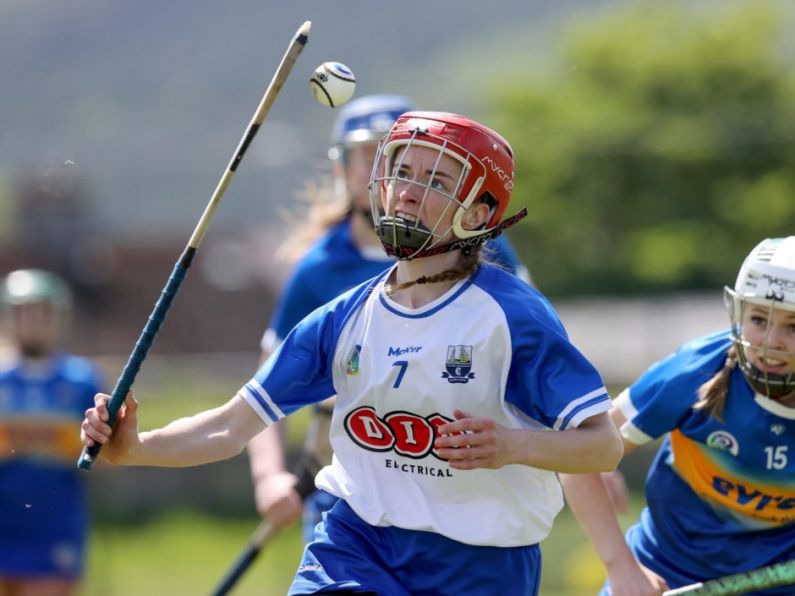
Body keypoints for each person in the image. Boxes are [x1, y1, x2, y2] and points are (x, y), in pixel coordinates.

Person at [81, 111, 622, 595]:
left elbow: (602, 446)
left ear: (479, 215)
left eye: (435, 180)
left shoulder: (514, 316)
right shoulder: (343, 317)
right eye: (403, 173)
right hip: (354, 544)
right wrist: (136, 448)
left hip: (482, 566)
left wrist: (512, 444)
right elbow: (230, 425)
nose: (408, 191)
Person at [249, 94, 533, 541]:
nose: (399, 180)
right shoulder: (319, 269)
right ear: (342, 170)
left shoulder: (479, 246)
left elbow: (535, 355)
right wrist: (269, 476)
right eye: (370, 156)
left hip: (464, 486)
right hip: (351, 482)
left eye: (397, 157)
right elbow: (266, 383)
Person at [560, 236, 795, 596]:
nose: (770, 342)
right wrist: (623, 569)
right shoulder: (694, 372)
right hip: (664, 573)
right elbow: (576, 458)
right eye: (759, 319)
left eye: (792, 326)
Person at [0, 269, 104, 596]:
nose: (31, 322)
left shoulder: (82, 381)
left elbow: (107, 458)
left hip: (54, 527)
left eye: (41, 312)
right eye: (22, 312)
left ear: (58, 318)